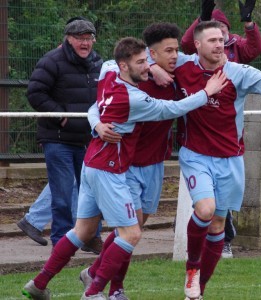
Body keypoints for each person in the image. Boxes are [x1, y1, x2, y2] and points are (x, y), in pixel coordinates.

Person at [22, 36, 227, 300]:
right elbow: (174, 109)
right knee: (131, 234)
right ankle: (95, 292)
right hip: (110, 168)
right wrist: (207, 92)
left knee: (83, 230)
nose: (147, 66)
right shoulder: (134, 98)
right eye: (142, 62)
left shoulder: (109, 77)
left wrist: (96, 123)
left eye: (147, 62)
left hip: (94, 163)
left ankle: (38, 284)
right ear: (124, 66)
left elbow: (96, 102)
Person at [150, 20, 261, 299]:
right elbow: (140, 54)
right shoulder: (182, 64)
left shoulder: (237, 72)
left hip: (230, 159)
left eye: (222, 40)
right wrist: (154, 67)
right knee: (205, 209)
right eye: (213, 40)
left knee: (217, 225)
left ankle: (197, 292)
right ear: (198, 45)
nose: (219, 45)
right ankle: (192, 268)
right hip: (195, 155)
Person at [81, 22, 183, 299]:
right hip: (126, 164)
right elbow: (97, 104)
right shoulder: (129, 73)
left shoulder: (181, 75)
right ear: (151, 54)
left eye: (177, 50)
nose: (175, 56)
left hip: (155, 163)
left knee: (135, 229)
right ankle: (111, 289)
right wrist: (97, 125)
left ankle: (94, 272)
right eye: (168, 51)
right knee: (129, 230)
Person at [175, 0, 261, 259]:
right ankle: (195, 258)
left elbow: (256, 48)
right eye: (213, 31)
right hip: (197, 145)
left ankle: (223, 239)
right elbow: (185, 44)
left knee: (218, 210)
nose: (220, 37)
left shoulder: (236, 47)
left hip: (228, 145)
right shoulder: (193, 55)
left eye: (223, 30)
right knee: (205, 206)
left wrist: (249, 23)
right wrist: (201, 18)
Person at [26, 18, 103, 248]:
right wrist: (60, 115)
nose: (85, 43)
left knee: (92, 193)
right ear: (68, 39)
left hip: (89, 139)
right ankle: (61, 240)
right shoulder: (51, 61)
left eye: (89, 38)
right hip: (57, 139)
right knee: (61, 195)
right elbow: (35, 93)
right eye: (80, 38)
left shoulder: (99, 63)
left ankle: (91, 238)